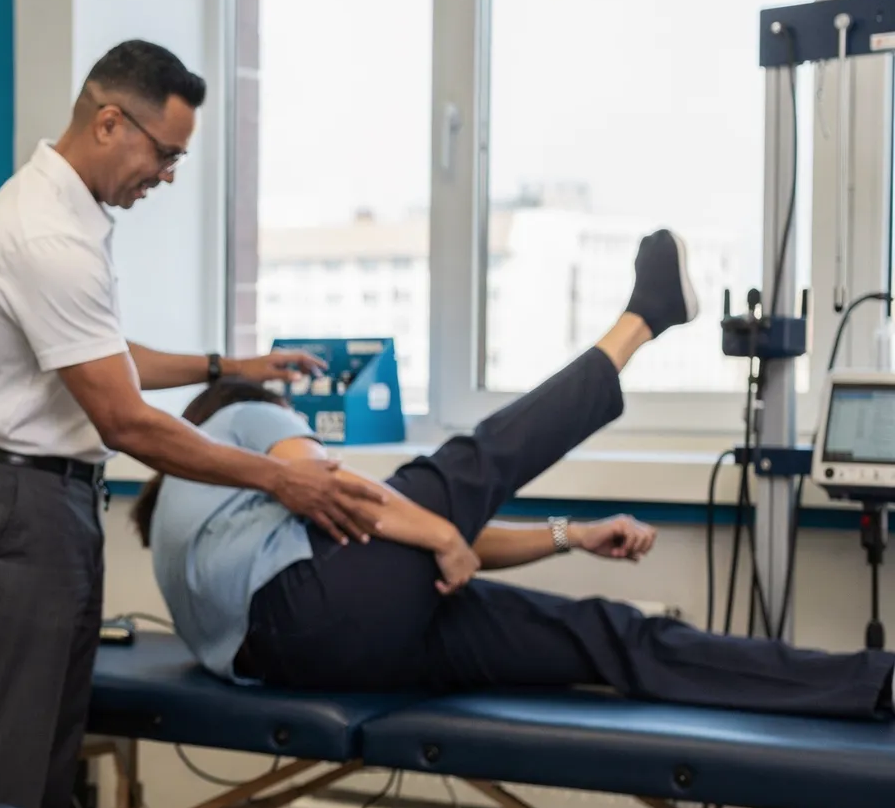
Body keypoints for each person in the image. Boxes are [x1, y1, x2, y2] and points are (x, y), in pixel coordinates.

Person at [0, 38, 386, 808]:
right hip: (13, 505)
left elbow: (101, 353)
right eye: (163, 154)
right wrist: (283, 478)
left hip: (47, 502)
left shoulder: (67, 220)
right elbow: (127, 420)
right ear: (107, 122)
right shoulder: (45, 231)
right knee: (3, 779)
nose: (166, 176)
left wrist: (230, 361)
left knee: (45, 773)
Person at [133, 229, 895, 713]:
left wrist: (569, 534)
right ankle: (642, 321)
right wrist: (441, 531)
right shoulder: (241, 416)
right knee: (464, 465)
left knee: (608, 634)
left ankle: (870, 683)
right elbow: (354, 501)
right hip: (312, 622)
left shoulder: (195, 516)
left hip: (312, 652)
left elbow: (414, 545)